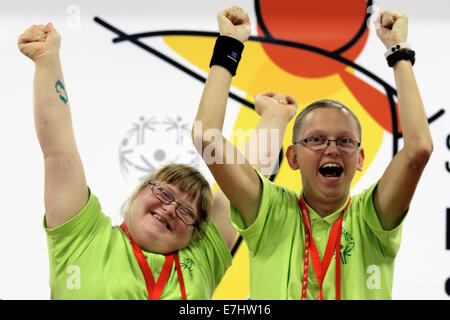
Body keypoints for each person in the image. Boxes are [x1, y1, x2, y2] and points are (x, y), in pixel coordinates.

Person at [17, 22, 296, 299]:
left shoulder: (202, 259)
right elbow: (58, 147)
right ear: (139, 191)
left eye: (188, 212)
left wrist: (274, 117)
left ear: (195, 235)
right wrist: (46, 60)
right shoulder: (83, 235)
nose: (172, 209)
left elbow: (244, 182)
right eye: (164, 192)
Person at [193, 6, 433, 299]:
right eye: (317, 139)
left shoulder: (372, 217)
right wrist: (230, 45)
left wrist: (399, 53)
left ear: (360, 159)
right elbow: (207, 138)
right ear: (292, 157)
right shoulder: (270, 211)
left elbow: (419, 147)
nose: (331, 149)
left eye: (345, 141)